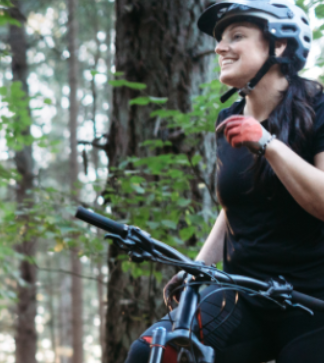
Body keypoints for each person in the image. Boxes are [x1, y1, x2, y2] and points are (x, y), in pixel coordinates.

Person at [125, 1, 324, 362]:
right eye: (220, 39)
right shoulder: (229, 117)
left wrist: (267, 143)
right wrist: (196, 268)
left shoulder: (319, 106)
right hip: (243, 295)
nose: (220, 47)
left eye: (237, 36)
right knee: (152, 351)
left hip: (313, 304)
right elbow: (234, 207)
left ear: (279, 46)